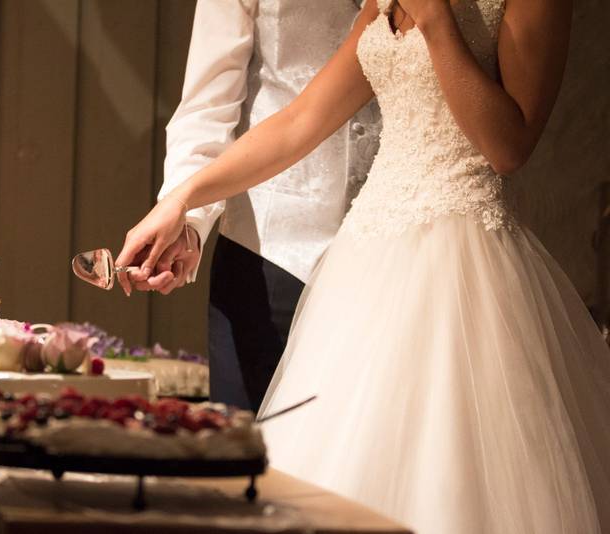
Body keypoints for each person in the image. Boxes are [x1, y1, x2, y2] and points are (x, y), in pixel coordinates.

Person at [116, 0, 610, 531]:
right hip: (363, 267)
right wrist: (182, 201)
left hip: (460, 264)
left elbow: (508, 149)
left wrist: (437, 20)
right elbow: (300, 122)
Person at [121, 0, 381, 412]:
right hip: (271, 254)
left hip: (401, 254)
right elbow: (207, 107)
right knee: (256, 443)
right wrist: (187, 215)